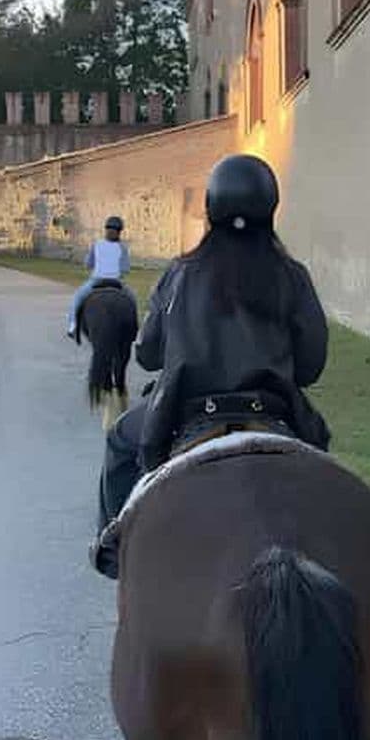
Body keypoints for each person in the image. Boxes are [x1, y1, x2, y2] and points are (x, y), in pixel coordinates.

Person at [92, 154, 331, 579]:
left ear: (211, 207)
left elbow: (147, 354)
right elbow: (311, 366)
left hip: (187, 414)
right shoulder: (292, 275)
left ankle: (117, 551)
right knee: (326, 479)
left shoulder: (181, 273)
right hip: (271, 413)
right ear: (270, 207)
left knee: (120, 442)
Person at [67, 216, 132, 339]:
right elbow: (125, 269)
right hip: (116, 282)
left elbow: (88, 264)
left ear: (106, 229)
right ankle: (135, 330)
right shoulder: (122, 247)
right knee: (131, 299)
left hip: (96, 281)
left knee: (77, 297)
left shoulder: (97, 244)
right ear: (120, 232)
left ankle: (73, 325)